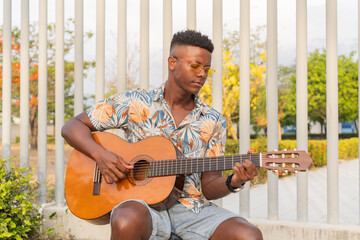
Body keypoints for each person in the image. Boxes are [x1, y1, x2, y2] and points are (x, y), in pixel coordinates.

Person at [62, 30, 263, 240]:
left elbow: (210, 186)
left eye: (206, 69)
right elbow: (71, 127)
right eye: (195, 66)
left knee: (248, 234)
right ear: (172, 63)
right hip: (142, 206)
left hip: (192, 211)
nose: (202, 74)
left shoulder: (213, 120)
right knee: (126, 217)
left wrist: (235, 181)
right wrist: (101, 155)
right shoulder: (135, 102)